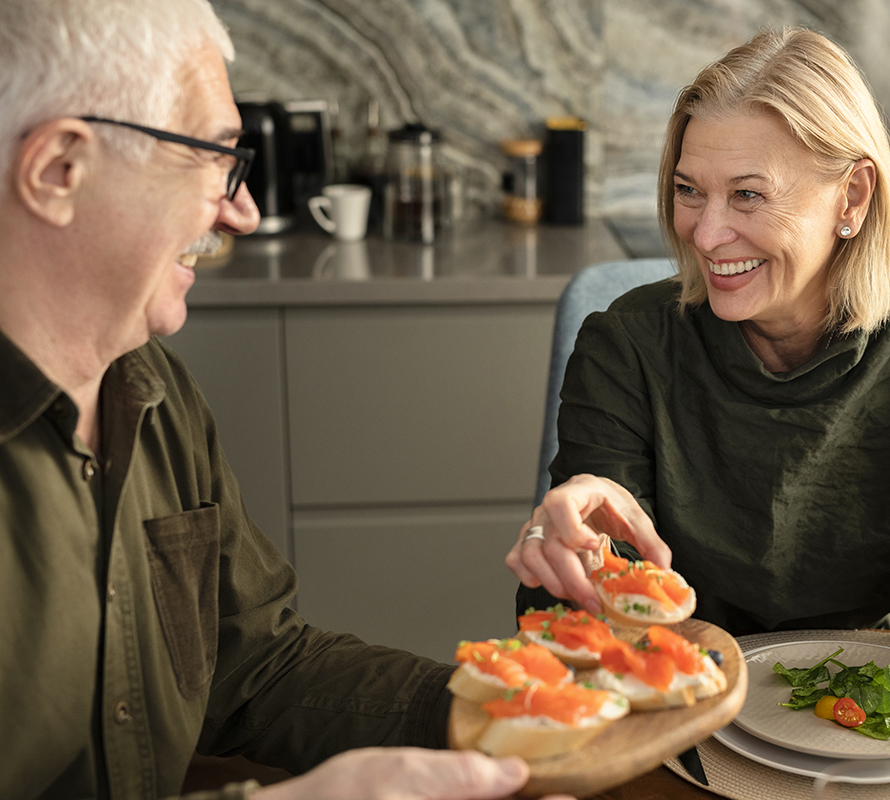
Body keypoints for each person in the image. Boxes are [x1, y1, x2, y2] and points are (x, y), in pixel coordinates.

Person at [0, 2, 567, 799]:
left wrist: (505, 710)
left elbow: (253, 662)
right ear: (61, 169)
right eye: (214, 159)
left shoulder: (156, 395)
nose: (244, 210)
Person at [506, 28, 890, 660]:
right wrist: (576, 551)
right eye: (689, 190)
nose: (706, 236)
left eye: (748, 194)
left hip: (881, 688)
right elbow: (588, 629)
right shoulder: (626, 346)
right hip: (693, 684)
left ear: (852, 196)